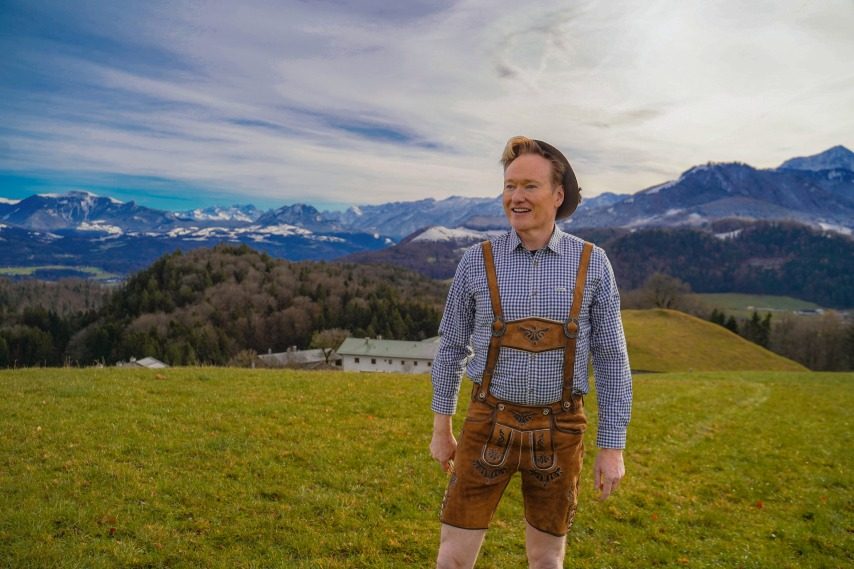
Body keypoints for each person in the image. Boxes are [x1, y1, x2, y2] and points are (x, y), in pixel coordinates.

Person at [429, 136, 633, 569]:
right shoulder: (475, 261)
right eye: (509, 186)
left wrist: (612, 447)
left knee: (546, 560)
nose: (516, 197)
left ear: (558, 195)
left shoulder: (593, 263)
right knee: (452, 559)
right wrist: (441, 428)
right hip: (486, 423)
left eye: (529, 186)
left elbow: (612, 360)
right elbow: (450, 348)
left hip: (561, 430)